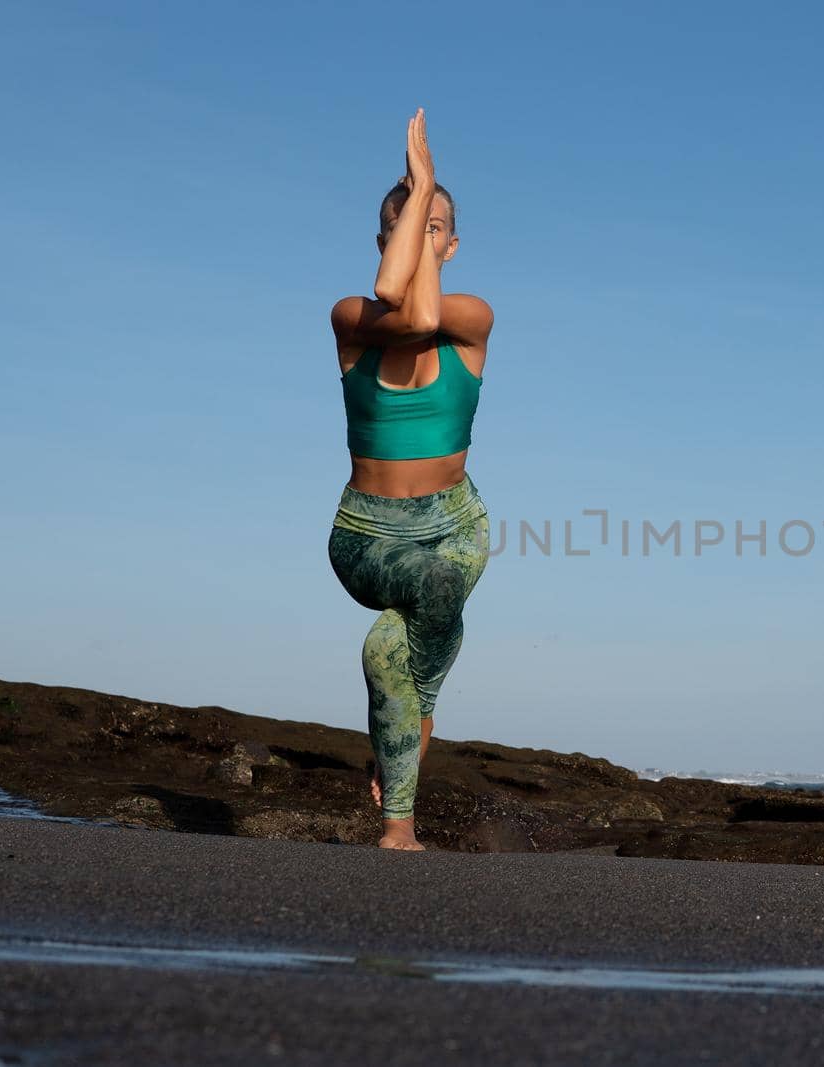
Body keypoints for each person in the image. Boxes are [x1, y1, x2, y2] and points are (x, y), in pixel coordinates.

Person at [326, 107, 494, 851]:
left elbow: (428, 313)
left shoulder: (474, 318)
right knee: (424, 595)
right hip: (366, 534)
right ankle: (418, 719)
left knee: (392, 646)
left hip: (457, 524)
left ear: (452, 245)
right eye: (403, 224)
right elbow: (407, 311)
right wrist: (421, 187)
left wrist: (419, 197)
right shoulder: (350, 318)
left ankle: (399, 826)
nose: (421, 232)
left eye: (434, 226)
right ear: (381, 243)